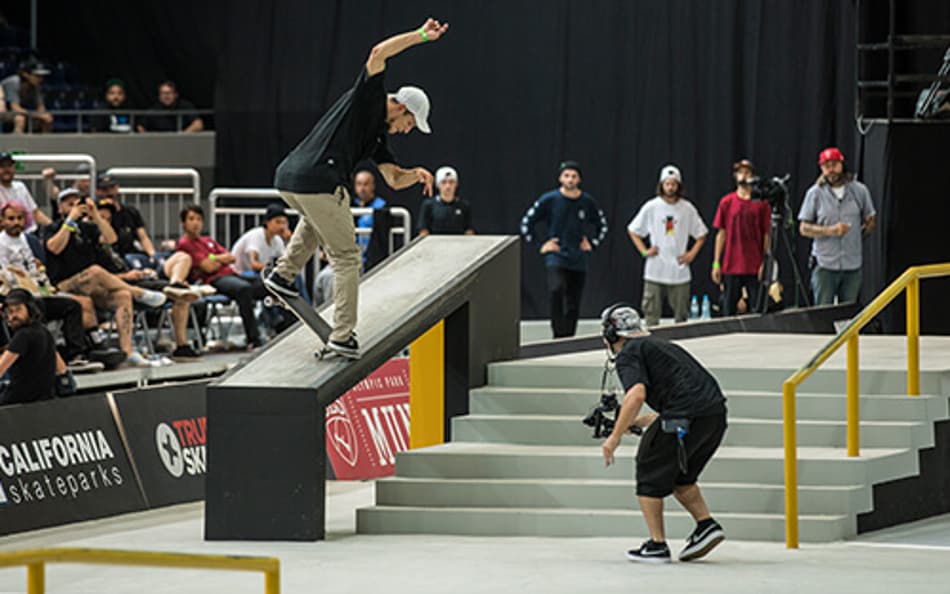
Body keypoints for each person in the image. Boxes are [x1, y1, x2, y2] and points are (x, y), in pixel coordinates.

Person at [264, 17, 449, 359]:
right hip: (318, 178)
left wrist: (415, 174)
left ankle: (284, 274)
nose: (407, 131)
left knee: (321, 220)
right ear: (402, 107)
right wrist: (421, 36)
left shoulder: (378, 137)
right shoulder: (370, 99)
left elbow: (392, 178)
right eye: (410, 123)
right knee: (347, 257)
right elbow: (379, 53)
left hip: (291, 179)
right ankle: (342, 335)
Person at [599, 303, 727, 563]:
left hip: (684, 415)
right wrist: (641, 422)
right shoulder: (662, 346)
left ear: (611, 336)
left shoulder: (628, 353)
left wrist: (613, 438)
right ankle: (706, 526)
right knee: (681, 475)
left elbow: (636, 395)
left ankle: (657, 545)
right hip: (714, 416)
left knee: (648, 469)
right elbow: (685, 391)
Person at [43, 188, 167, 366]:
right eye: (69, 204)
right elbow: (54, 247)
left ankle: (127, 351)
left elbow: (111, 238)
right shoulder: (52, 228)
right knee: (95, 270)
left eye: (77, 204)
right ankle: (138, 292)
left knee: (122, 296)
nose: (74, 207)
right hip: (62, 285)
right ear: (60, 208)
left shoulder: (88, 229)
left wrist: (95, 215)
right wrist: (70, 219)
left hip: (91, 286)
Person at [0, 201, 103, 372]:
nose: (16, 222)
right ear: (2, 221)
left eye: (19, 218)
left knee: (72, 306)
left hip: (36, 291)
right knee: (34, 306)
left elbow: (37, 268)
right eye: (11, 218)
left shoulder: (29, 240)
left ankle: (76, 354)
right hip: (11, 293)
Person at [95, 199, 204, 360]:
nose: (106, 224)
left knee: (181, 288)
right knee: (178, 292)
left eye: (108, 220)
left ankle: (182, 346)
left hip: (138, 279)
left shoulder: (113, 246)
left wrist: (140, 271)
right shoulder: (90, 247)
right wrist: (126, 276)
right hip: (120, 286)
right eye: (101, 219)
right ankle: (129, 351)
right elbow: (97, 277)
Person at [520, 160, 608, 338]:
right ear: (560, 178)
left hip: (578, 258)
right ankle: (558, 334)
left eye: (574, 176)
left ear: (579, 179)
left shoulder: (587, 201)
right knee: (556, 289)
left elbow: (603, 225)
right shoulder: (550, 199)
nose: (570, 179)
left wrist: (592, 243)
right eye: (566, 176)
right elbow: (526, 223)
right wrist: (541, 245)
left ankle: (569, 337)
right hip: (557, 256)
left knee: (574, 301)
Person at [176, 204, 271, 349]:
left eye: (199, 219)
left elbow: (231, 257)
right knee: (243, 289)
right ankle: (254, 339)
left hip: (232, 274)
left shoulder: (208, 240)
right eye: (191, 219)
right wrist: (219, 259)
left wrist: (213, 258)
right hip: (212, 281)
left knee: (269, 284)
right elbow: (207, 268)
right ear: (183, 223)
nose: (196, 223)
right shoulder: (185, 244)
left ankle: (282, 326)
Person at [628, 165, 707, 326]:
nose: (670, 187)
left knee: (681, 317)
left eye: (674, 184)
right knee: (651, 316)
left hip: (679, 271)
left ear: (679, 186)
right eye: (667, 184)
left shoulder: (687, 208)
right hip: (655, 270)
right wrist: (644, 251)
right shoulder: (652, 206)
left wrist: (691, 254)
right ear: (661, 185)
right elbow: (633, 230)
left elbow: (701, 233)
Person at [798, 147, 877, 305]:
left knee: (847, 312)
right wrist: (829, 231)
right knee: (823, 311)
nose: (830, 170)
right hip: (825, 264)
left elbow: (871, 218)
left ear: (842, 164)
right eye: (826, 166)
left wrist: (857, 235)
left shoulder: (859, 190)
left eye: (834, 165)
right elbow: (803, 228)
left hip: (852, 265)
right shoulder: (815, 193)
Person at [711, 159, 770, 317]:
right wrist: (716, 263)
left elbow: (766, 235)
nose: (744, 176)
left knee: (758, 311)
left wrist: (765, 262)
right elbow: (721, 233)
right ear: (735, 176)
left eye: (747, 172)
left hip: (754, 264)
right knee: (728, 311)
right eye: (740, 172)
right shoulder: (727, 202)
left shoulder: (761, 204)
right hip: (731, 264)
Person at [0, 289, 69, 405]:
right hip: (45, 399)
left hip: (19, 400)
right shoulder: (44, 331)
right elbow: (62, 369)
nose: (13, 316)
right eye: (10, 312)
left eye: (18, 310)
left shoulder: (23, 335)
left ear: (30, 309)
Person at [96, 173, 160, 268]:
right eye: (104, 189)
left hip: (132, 254)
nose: (109, 192)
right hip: (112, 257)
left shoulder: (130, 212)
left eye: (112, 187)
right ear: (98, 191)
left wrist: (153, 255)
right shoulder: (96, 213)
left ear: (117, 187)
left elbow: (143, 237)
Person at [0, 151, 52, 232]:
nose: (6, 169)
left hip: (31, 233)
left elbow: (35, 212)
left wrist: (52, 226)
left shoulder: (20, 186)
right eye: (2, 166)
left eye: (9, 166)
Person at [233, 204, 290, 274]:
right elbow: (254, 264)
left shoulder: (277, 240)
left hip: (258, 272)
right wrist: (274, 269)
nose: (282, 226)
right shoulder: (257, 235)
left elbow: (286, 261)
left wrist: (289, 240)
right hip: (241, 272)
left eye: (284, 223)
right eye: (277, 222)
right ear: (267, 222)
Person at [418, 166, 474, 236]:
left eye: (451, 182)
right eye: (444, 182)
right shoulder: (429, 205)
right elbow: (423, 231)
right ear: (438, 185)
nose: (448, 186)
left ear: (456, 184)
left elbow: (469, 231)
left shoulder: (464, 206)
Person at [1, 60, 53, 133]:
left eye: (42, 76)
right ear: (26, 74)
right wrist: (38, 115)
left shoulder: (35, 86)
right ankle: (17, 144)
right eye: (37, 76)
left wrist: (44, 115)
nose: (40, 79)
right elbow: (15, 108)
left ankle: (45, 143)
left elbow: (41, 107)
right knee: (20, 119)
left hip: (12, 112)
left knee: (47, 119)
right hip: (3, 111)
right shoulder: (13, 82)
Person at [137, 80, 204, 133]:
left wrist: (182, 136)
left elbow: (198, 124)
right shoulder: (154, 109)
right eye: (163, 93)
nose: (166, 96)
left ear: (176, 95)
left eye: (169, 93)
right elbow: (140, 127)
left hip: (182, 143)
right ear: (159, 96)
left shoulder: (185, 106)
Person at [352, 169, 387, 264]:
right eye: (359, 184)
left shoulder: (381, 207)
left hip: (372, 259)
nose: (362, 188)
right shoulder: (351, 207)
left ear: (373, 186)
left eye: (365, 184)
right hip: (352, 258)